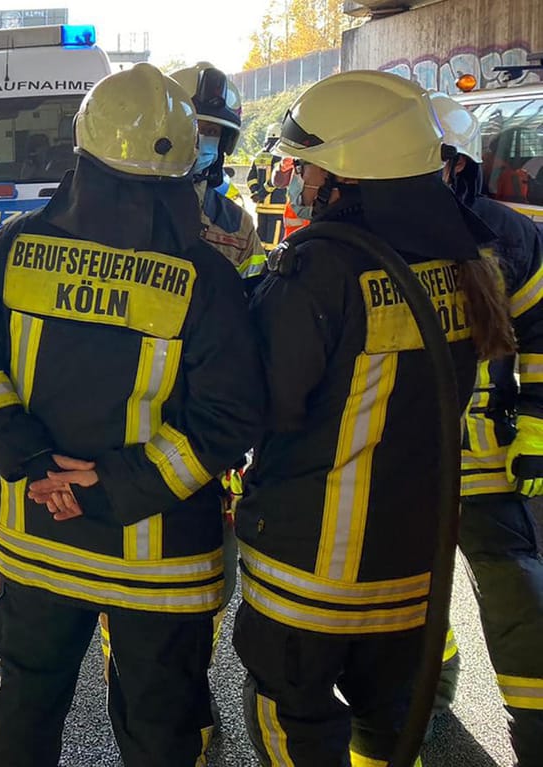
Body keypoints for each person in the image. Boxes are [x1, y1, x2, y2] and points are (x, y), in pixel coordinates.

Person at [0, 62, 264, 767]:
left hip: (38, 543)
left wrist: (32, 462)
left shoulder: (14, 250)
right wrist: (116, 487)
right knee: (162, 729)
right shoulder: (207, 279)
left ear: (81, 154)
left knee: (24, 703)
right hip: (160, 563)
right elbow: (229, 420)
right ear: (184, 168)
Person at [237, 70, 515, 766]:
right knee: (389, 727)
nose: (298, 182)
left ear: (346, 176)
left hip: (312, 571)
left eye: (307, 168)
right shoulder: (463, 264)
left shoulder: (323, 267)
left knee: (288, 716)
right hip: (409, 570)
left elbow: (268, 399)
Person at [428, 92, 543, 765]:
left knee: (520, 603)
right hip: (404, 460)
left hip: (490, 462)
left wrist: (532, 433)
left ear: (457, 163)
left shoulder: (510, 235)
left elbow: (540, 334)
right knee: (411, 587)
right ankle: (429, 689)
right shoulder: (368, 233)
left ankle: (534, 733)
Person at [170, 63, 267, 283]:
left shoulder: (238, 226)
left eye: (211, 132)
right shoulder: (130, 210)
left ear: (224, 142)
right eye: (192, 127)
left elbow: (255, 297)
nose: (200, 139)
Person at [248, 123, 288, 248]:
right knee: (274, 242)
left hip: (261, 207)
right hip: (277, 206)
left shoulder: (259, 156)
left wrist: (256, 192)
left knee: (261, 239)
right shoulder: (281, 156)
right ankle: (270, 266)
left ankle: (260, 264)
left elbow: (251, 178)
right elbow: (277, 179)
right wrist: (261, 193)